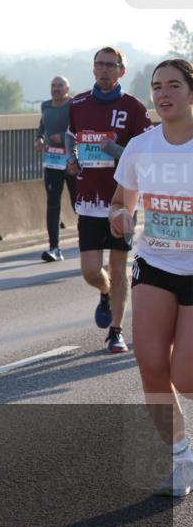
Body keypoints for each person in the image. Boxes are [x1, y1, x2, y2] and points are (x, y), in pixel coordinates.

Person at [109, 58, 193, 497]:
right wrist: (120, 216)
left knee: (186, 376)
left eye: (174, 85)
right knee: (151, 365)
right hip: (155, 264)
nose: (163, 93)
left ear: (191, 92)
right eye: (158, 86)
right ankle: (182, 459)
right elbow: (119, 202)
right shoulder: (141, 147)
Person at [65, 46, 154, 353]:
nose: (104, 69)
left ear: (121, 71)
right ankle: (104, 292)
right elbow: (71, 137)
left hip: (123, 198)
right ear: (93, 69)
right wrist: (72, 158)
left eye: (110, 65)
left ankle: (116, 331)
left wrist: (114, 150)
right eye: (99, 64)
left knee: (118, 266)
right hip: (90, 199)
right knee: (91, 270)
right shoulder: (78, 104)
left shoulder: (134, 107)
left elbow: (145, 153)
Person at [34, 75, 76, 261]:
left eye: (60, 85)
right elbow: (42, 127)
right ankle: (54, 248)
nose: (56, 89)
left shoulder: (74, 106)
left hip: (72, 161)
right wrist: (39, 139)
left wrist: (62, 135)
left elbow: (81, 128)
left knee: (78, 203)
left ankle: (91, 239)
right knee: (52, 204)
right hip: (52, 161)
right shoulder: (45, 106)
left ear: (67, 88)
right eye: (53, 85)